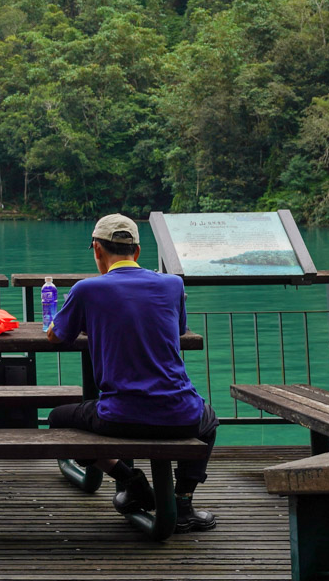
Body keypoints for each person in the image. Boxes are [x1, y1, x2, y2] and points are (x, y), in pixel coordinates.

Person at [45, 213, 219, 532]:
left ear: (97, 250)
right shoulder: (173, 285)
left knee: (58, 420)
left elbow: (56, 335)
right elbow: (179, 329)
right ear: (137, 252)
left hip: (119, 417)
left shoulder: (87, 290)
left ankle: (130, 479)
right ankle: (182, 502)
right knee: (209, 420)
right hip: (182, 414)